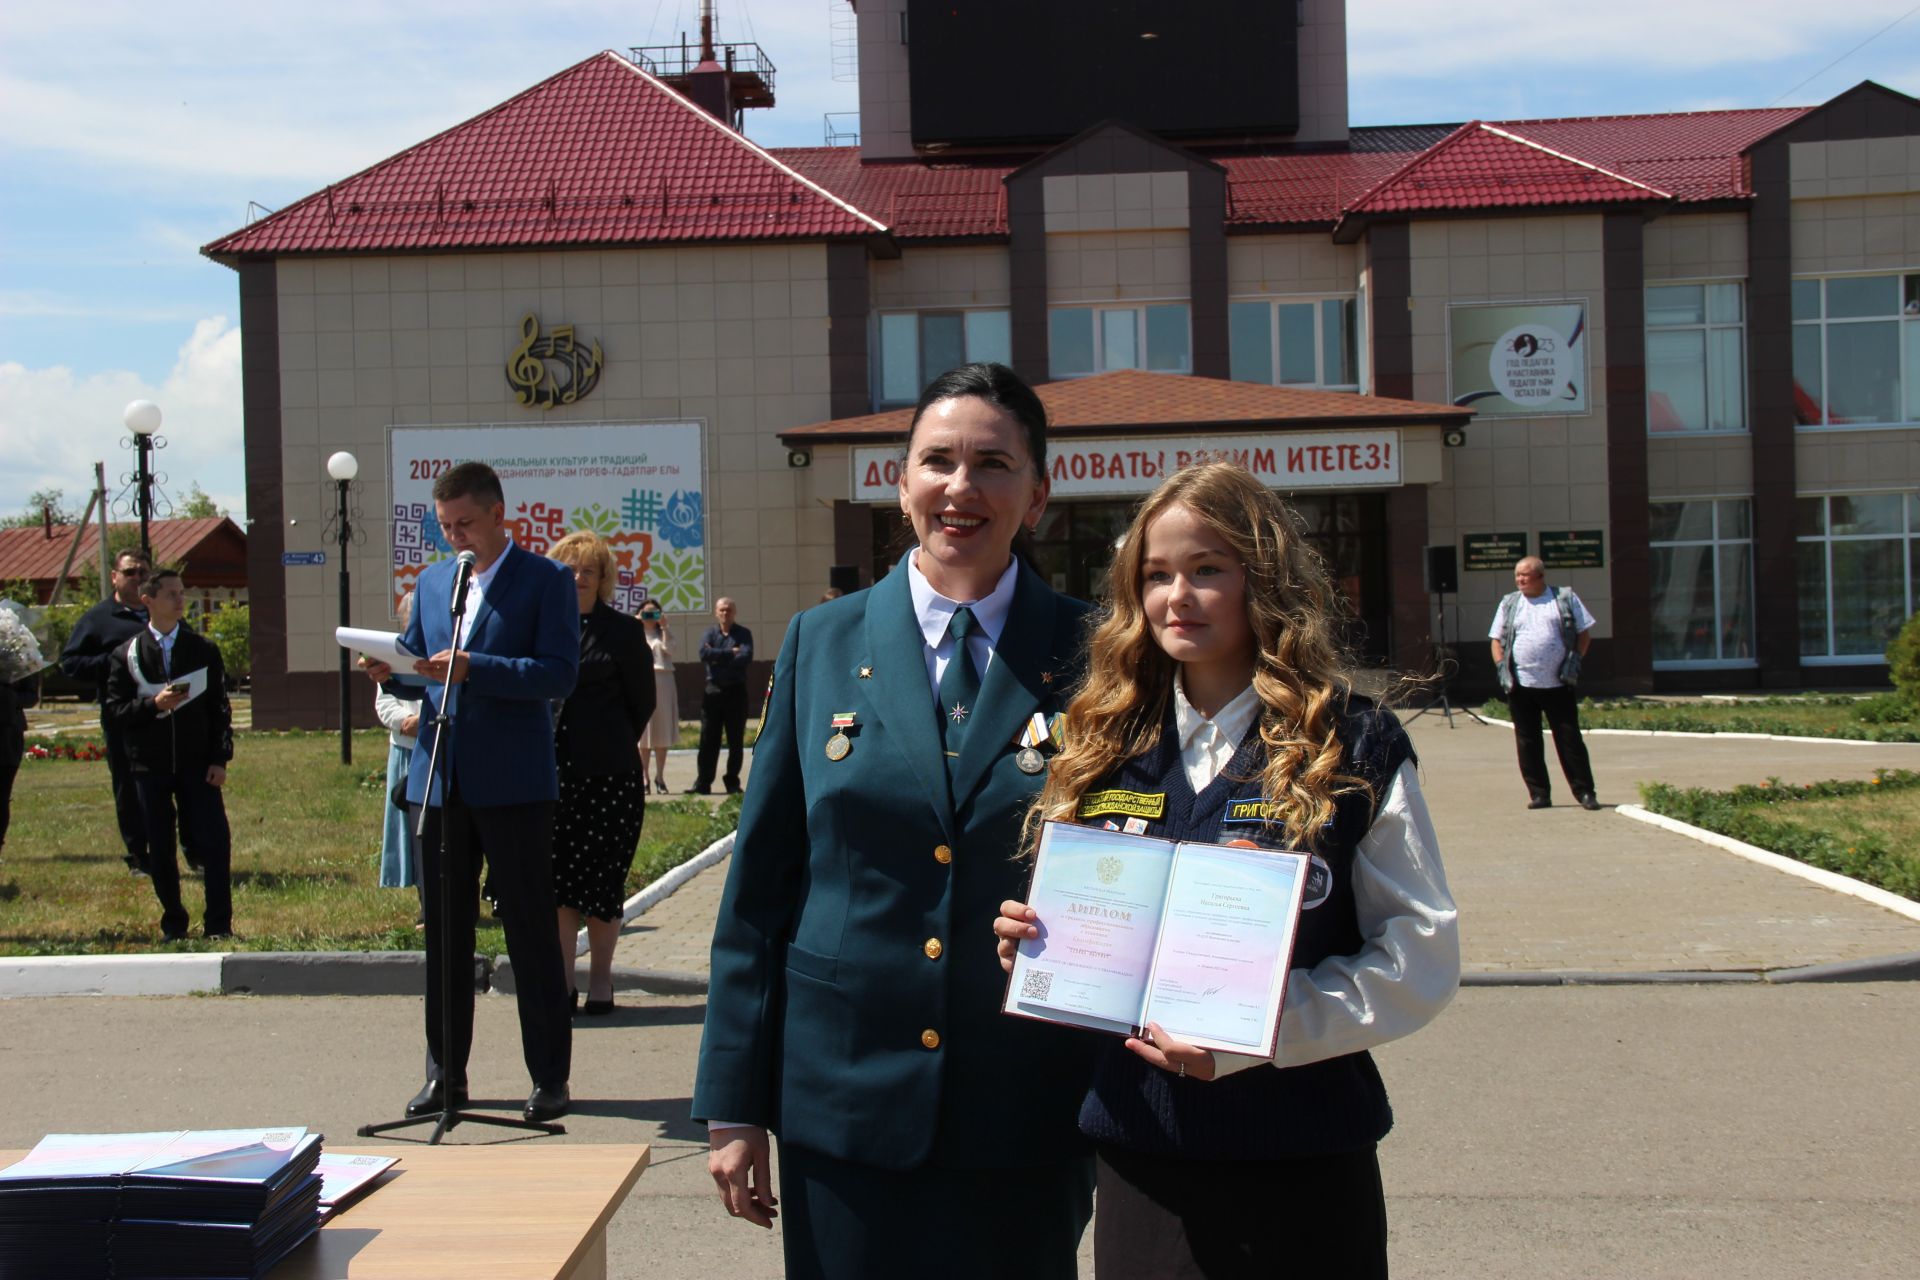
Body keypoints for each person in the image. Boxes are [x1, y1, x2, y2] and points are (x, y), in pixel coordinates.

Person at [994, 462, 1460, 1280]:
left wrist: (1263, 1034)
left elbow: (1420, 956)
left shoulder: (1353, 743)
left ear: (1264, 577)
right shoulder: (1102, 742)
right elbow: (1090, 945)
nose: (1179, 596)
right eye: (1157, 575)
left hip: (1304, 1160)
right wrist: (1034, 948)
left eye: (1207, 570)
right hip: (1145, 1159)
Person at [693, 362, 1100, 1280]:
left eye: (993, 464)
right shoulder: (821, 641)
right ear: (899, 480)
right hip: (844, 1100)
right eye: (938, 461)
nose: (962, 489)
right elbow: (762, 887)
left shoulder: (1098, 652)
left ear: (1039, 491)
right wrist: (732, 1101)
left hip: (1025, 1102)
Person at [361, 462, 580, 1125]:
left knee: (530, 935)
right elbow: (420, 669)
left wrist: (475, 667)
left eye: (466, 524)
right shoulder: (434, 582)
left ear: (497, 515)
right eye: (445, 525)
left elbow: (558, 673)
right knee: (445, 939)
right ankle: (445, 1076)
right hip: (438, 777)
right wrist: (390, 671)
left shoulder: (544, 581)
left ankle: (548, 1077)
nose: (456, 537)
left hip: (513, 783)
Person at [548, 531, 655, 1016]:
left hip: (610, 777)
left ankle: (602, 983)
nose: (578, 577)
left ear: (603, 577)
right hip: (552, 774)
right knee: (559, 884)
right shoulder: (543, 625)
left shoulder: (623, 631)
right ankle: (562, 983)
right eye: (570, 569)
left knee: (602, 885)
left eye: (588, 569)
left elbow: (643, 702)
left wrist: (607, 740)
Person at [102, 568, 235, 942]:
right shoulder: (125, 655)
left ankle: (219, 925)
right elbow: (115, 713)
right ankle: (174, 922)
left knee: (214, 842)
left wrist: (219, 759)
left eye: (182, 593)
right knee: (160, 846)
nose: (180, 601)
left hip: (197, 764)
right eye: (171, 594)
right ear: (148, 601)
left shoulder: (202, 649)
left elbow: (219, 709)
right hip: (150, 765)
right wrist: (153, 705)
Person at [59, 548, 158, 874]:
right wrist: (116, 661)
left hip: (164, 710)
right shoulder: (99, 618)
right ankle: (138, 855)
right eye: (130, 572)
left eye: (143, 572)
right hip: (123, 714)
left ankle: (183, 849)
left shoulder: (160, 612)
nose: (138, 577)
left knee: (175, 781)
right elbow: (71, 663)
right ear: (114, 576)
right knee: (128, 785)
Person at [1489, 555, 1600, 809]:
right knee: (1527, 740)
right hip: (1521, 685)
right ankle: (1539, 793)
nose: (1519, 580)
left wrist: (1575, 660)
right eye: (1517, 575)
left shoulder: (1564, 598)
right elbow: (1496, 639)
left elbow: (1584, 634)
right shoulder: (1510, 603)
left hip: (1559, 684)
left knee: (1569, 739)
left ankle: (1585, 792)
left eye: (1524, 575)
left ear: (1540, 576)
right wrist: (1500, 667)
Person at [373, 590, 423, 912]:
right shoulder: (390, 654)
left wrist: (428, 721)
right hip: (406, 749)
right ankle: (424, 901)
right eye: (410, 615)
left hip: (437, 748)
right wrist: (407, 722)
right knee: (412, 832)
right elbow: (383, 702)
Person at [688, 597, 752, 795]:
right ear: (716, 612)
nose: (725, 613)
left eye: (729, 610)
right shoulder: (709, 633)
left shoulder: (743, 633)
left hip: (736, 692)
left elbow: (745, 657)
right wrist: (729, 653)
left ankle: (732, 781)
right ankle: (703, 783)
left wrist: (717, 656)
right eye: (722, 610)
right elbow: (703, 654)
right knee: (708, 739)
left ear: (735, 612)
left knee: (735, 739)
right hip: (713, 692)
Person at [637, 600, 676, 795]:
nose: (650, 617)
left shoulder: (664, 633)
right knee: (644, 734)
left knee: (662, 732)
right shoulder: (634, 633)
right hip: (642, 682)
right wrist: (635, 625)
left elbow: (671, 649)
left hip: (664, 681)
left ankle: (660, 777)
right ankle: (644, 777)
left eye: (654, 613)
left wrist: (665, 626)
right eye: (646, 613)